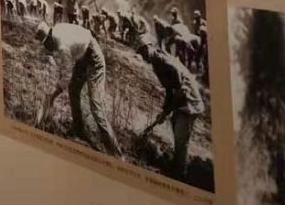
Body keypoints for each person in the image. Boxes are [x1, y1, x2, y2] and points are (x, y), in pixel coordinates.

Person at [34, 22, 124, 158]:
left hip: (94, 59)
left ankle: (116, 154)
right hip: (83, 57)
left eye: (46, 44)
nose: (46, 48)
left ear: (49, 38)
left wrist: (51, 97)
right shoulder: (57, 29)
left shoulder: (61, 45)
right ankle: (79, 131)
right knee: (73, 90)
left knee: (96, 109)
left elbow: (67, 76)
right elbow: (67, 66)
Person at [137, 37, 205, 181]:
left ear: (150, 46)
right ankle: (176, 165)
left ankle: (180, 175)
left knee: (181, 139)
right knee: (176, 131)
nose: (144, 55)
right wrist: (164, 110)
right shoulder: (156, 63)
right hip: (181, 99)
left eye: (144, 50)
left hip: (190, 101)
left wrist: (167, 111)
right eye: (141, 53)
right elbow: (169, 90)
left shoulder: (163, 60)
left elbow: (179, 90)